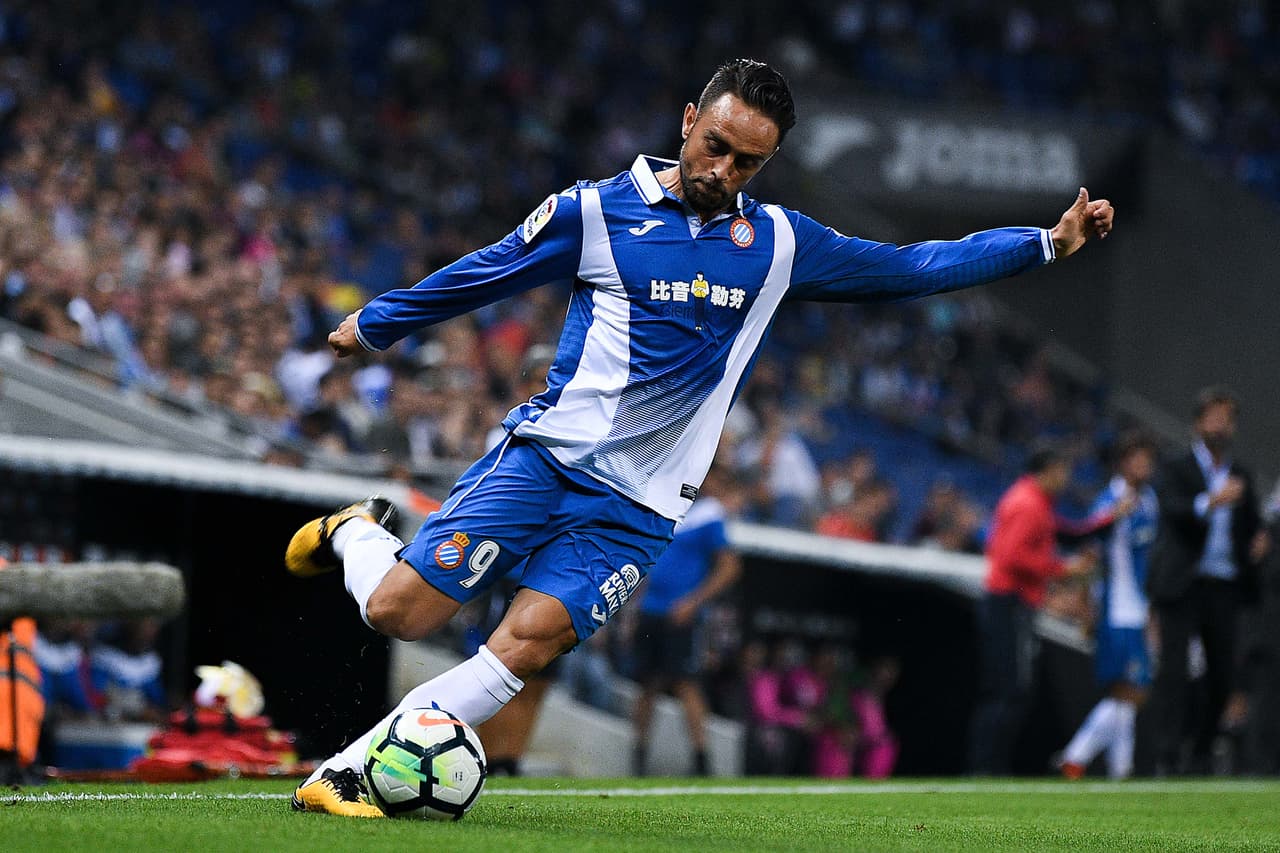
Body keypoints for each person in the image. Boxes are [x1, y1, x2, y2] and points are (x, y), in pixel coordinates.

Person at [283, 58, 1115, 815]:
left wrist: (1045, 242)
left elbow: (915, 266)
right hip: (544, 460)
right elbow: (486, 268)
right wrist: (378, 325)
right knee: (401, 613)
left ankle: (352, 771)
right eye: (715, 146)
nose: (724, 171)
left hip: (640, 506)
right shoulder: (593, 212)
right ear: (688, 120)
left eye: (747, 161)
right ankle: (357, 531)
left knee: (527, 642)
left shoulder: (783, 244)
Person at [968, 442, 1115, 775]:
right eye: (1062, 471)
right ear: (1047, 471)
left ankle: (986, 766)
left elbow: (1066, 533)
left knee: (1006, 689)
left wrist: (1105, 522)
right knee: (1010, 690)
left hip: (1010, 602)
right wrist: (1062, 569)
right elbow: (1009, 555)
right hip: (1011, 602)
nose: (1066, 479)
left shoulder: (1033, 501)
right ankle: (985, 767)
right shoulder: (1028, 504)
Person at [1146, 387, 1269, 775]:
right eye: (1214, 417)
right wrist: (1211, 501)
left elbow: (1250, 525)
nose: (1221, 425)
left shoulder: (1241, 474)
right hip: (1182, 584)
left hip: (1224, 585)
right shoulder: (1175, 466)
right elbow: (1172, 509)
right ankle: (1166, 755)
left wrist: (1258, 540)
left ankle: (1200, 752)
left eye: (1228, 418)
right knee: (1173, 673)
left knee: (1222, 676)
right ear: (1198, 423)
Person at [1060, 432, 1159, 779]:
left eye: (1148, 459)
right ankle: (1079, 754)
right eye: (1138, 458)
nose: (1145, 465)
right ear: (1123, 462)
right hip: (1115, 608)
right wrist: (1087, 604)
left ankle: (1116, 768)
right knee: (1130, 691)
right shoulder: (1107, 502)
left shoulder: (1149, 501)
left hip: (1139, 607)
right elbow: (1090, 554)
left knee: (1128, 694)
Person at [631, 471, 742, 776]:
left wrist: (693, 602)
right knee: (647, 683)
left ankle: (701, 759)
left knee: (685, 683)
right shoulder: (675, 509)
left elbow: (730, 566)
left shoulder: (710, 516)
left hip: (681, 614)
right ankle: (638, 756)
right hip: (651, 609)